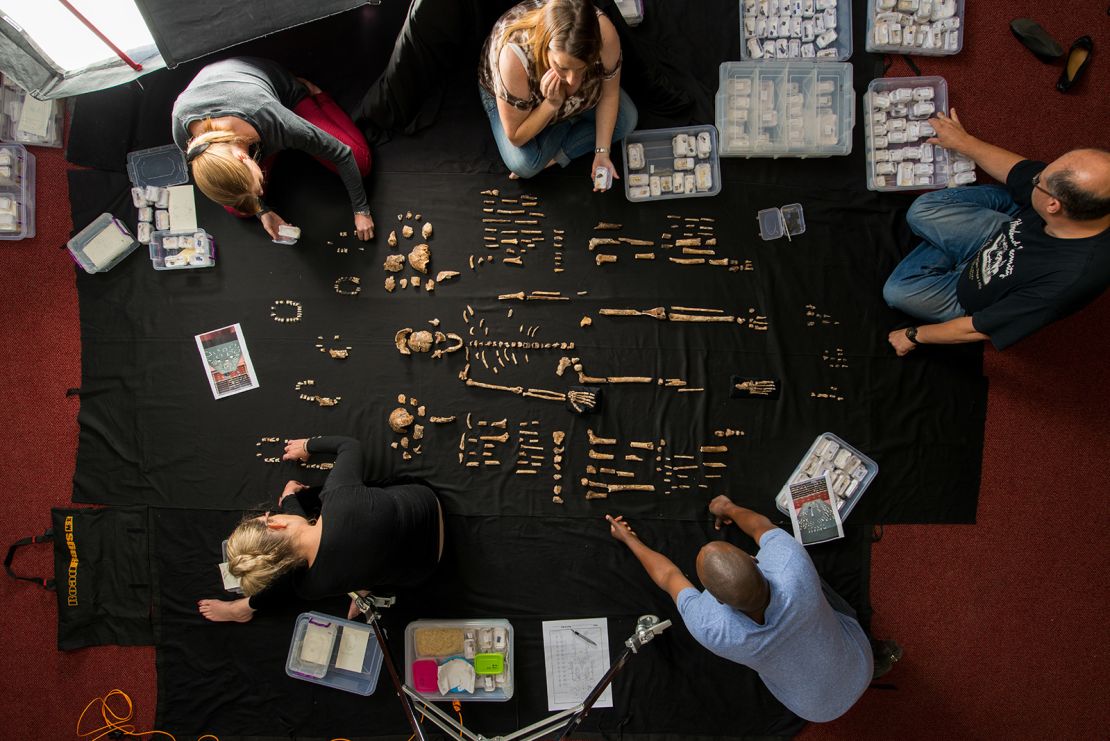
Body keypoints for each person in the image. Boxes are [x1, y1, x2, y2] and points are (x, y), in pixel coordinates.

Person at [606, 495, 898, 723]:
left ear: (718, 601)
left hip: (815, 710)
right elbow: (761, 527)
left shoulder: (710, 627)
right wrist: (727, 507)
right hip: (863, 664)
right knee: (817, 585)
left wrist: (628, 538)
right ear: (755, 560)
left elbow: (669, 577)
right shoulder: (792, 565)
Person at [883, 109, 1110, 355]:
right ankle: (960, 243)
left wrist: (914, 336)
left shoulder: (1066, 284)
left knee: (898, 293)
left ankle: (954, 247)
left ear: (1053, 205)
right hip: (1007, 226)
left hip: (970, 293)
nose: (1034, 176)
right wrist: (965, 143)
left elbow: (978, 328)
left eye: (1038, 182)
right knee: (921, 211)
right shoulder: (1088, 198)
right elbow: (1018, 171)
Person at [198, 436, 443, 623]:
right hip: (427, 505)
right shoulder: (337, 496)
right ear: (276, 523)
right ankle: (363, 585)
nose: (269, 513)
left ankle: (245, 608)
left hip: (425, 568)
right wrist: (307, 445)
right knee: (319, 496)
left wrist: (291, 502)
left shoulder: (308, 587)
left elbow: (300, 536)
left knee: (320, 533)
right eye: (268, 517)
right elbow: (350, 445)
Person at [172, 57, 375, 242]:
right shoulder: (187, 135)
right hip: (244, 120)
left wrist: (361, 210)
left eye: (258, 182)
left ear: (244, 157)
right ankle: (274, 157)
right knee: (239, 208)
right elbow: (236, 191)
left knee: (360, 162)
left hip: (282, 96)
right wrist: (263, 212)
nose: (260, 191)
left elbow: (341, 153)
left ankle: (316, 96)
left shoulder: (269, 117)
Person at [478, 0, 637, 188]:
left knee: (626, 121)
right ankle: (572, 121)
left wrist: (602, 152)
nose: (571, 80)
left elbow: (609, 94)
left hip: (578, 99)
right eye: (562, 67)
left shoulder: (605, 34)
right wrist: (552, 105)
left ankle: (561, 141)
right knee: (524, 164)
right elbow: (516, 135)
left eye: (581, 68)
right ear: (545, 45)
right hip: (517, 100)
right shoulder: (513, 56)